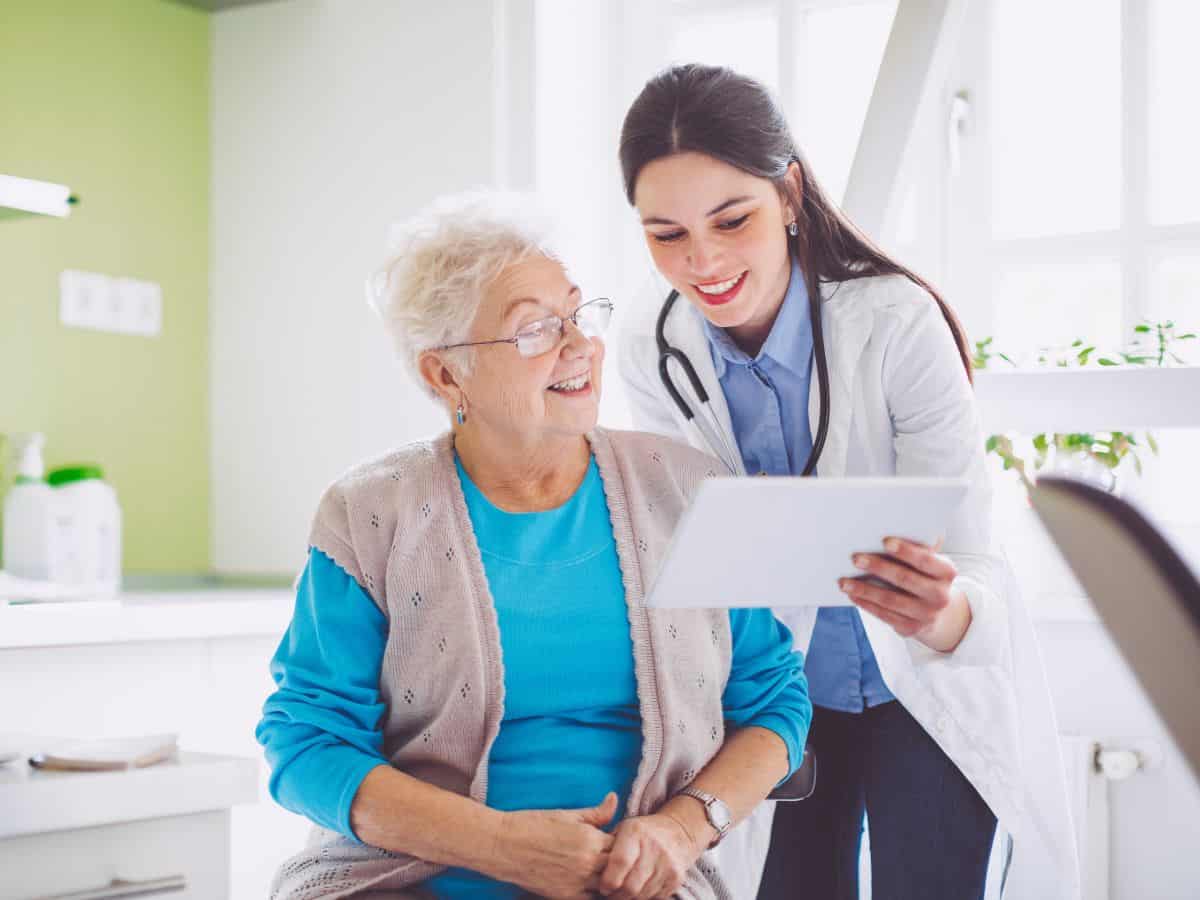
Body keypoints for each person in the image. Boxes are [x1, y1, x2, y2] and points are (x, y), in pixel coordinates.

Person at [256, 191, 812, 900]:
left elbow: (774, 703)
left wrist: (679, 828)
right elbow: (306, 742)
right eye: (534, 331)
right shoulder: (370, 513)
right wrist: (498, 846)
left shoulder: (688, 490)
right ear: (444, 373)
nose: (579, 345)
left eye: (579, 314)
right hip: (409, 880)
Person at [616, 64, 1079, 900]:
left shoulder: (897, 322)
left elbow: (969, 552)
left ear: (789, 194)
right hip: (768, 700)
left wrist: (942, 616)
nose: (705, 261)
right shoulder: (650, 340)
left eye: (732, 219)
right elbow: (681, 540)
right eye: (667, 234)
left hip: (922, 693)